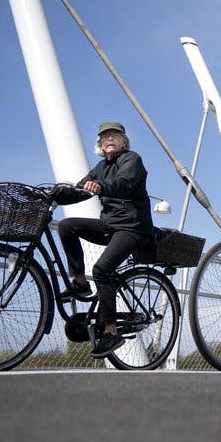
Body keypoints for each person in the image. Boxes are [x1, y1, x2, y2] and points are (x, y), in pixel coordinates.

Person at [56, 121, 155, 358]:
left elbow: (123, 184)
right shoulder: (100, 167)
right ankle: (79, 282)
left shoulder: (132, 159)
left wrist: (100, 186)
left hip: (132, 227)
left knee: (102, 269)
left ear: (124, 141)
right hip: (109, 225)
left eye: (115, 136)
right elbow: (81, 189)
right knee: (66, 225)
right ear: (99, 144)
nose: (109, 139)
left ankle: (111, 332)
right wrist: (56, 194)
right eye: (105, 137)